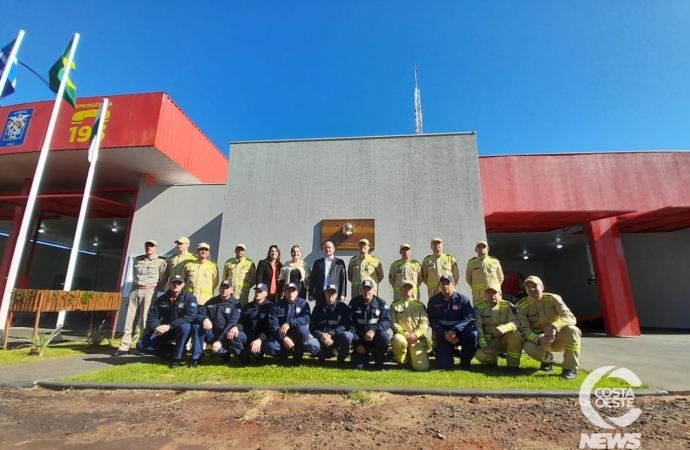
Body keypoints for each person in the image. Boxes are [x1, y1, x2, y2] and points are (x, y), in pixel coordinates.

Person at [516, 276, 582, 380]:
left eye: (534, 286)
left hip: (557, 336)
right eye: (528, 287)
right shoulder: (521, 306)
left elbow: (570, 317)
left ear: (542, 287)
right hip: (539, 340)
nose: (531, 289)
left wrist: (554, 327)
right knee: (527, 346)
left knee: (573, 330)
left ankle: (570, 368)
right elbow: (524, 328)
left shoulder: (553, 299)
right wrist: (538, 340)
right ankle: (547, 360)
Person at [114, 239, 167, 356]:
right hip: (135, 290)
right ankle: (124, 346)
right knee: (130, 319)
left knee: (145, 319)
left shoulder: (161, 262)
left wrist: (155, 288)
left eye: (152, 246)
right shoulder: (138, 260)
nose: (149, 248)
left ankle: (142, 346)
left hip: (149, 290)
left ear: (156, 248)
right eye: (147, 245)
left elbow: (163, 278)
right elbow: (134, 274)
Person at [136, 275, 198, 368]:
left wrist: (170, 325)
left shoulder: (190, 298)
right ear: (169, 284)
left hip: (180, 328)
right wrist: (155, 327)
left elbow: (190, 316)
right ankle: (172, 351)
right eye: (174, 283)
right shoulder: (162, 299)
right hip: (165, 330)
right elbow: (153, 315)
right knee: (141, 345)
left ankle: (176, 359)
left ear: (183, 285)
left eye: (179, 283)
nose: (176, 285)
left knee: (185, 327)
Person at [190, 279, 245, 367]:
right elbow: (199, 314)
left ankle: (226, 354)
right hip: (212, 334)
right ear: (219, 289)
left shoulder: (235, 304)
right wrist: (205, 319)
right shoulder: (212, 302)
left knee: (220, 350)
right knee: (196, 326)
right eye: (222, 288)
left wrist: (220, 341)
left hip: (226, 336)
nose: (224, 290)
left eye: (227, 288)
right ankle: (196, 359)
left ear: (232, 290)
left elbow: (231, 324)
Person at [427, 275, 478, 370]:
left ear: (453, 285)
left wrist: (455, 330)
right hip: (444, 334)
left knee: (473, 334)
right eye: (442, 284)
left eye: (448, 284)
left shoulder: (462, 299)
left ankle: (465, 362)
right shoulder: (433, 301)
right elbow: (432, 321)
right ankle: (447, 356)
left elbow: (469, 317)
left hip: (460, 332)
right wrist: (445, 334)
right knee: (443, 365)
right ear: (439, 286)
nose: (445, 286)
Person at [473, 285, 523, 374]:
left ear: (500, 294)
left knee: (517, 334)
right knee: (480, 355)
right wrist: (484, 345)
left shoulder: (508, 306)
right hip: (490, 342)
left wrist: (505, 328)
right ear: (485, 294)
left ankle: (513, 365)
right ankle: (492, 361)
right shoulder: (479, 308)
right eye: (488, 293)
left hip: (505, 340)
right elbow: (478, 328)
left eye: (494, 293)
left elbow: (516, 322)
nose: (491, 295)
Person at [305, 284, 354, 367]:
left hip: (337, 338)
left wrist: (331, 333)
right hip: (322, 338)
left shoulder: (342, 307)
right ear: (325, 294)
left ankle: (340, 360)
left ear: (337, 295)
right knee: (309, 343)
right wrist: (321, 335)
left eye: (333, 293)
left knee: (348, 336)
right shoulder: (318, 307)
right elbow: (312, 327)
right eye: (328, 293)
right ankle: (322, 358)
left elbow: (346, 325)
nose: (330, 295)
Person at [264, 283, 311, 366]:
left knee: (303, 330)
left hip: (296, 334)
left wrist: (289, 323)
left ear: (297, 293)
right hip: (281, 335)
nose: (291, 293)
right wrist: (283, 338)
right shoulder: (276, 306)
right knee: (270, 347)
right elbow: (273, 325)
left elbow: (306, 319)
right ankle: (282, 356)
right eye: (288, 291)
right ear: (284, 292)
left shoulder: (303, 304)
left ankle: (297, 359)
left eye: (293, 291)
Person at [349, 280, 391, 371]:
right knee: (359, 367)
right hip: (360, 340)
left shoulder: (381, 303)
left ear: (374, 291)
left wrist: (374, 330)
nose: (366, 292)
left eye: (369, 289)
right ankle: (363, 357)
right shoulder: (354, 303)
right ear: (360, 290)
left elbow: (387, 321)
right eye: (364, 289)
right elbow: (351, 325)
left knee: (384, 336)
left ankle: (379, 363)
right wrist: (358, 343)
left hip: (375, 339)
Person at [390, 279, 430, 371]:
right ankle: (403, 362)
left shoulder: (419, 305)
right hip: (402, 337)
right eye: (405, 287)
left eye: (409, 288)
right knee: (397, 340)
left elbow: (425, 323)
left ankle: (411, 357)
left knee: (422, 367)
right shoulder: (394, 305)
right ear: (400, 289)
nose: (407, 290)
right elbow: (392, 322)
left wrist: (416, 334)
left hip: (416, 339)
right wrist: (404, 333)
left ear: (413, 290)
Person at [238, 283, 274, 365]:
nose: (257, 293)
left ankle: (257, 355)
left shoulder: (271, 307)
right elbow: (242, 321)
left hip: (263, 337)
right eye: (256, 291)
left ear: (266, 294)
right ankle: (245, 359)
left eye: (260, 291)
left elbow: (270, 328)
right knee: (235, 336)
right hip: (249, 335)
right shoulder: (248, 306)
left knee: (257, 354)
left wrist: (260, 339)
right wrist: (236, 327)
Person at [465, 240, 504, 305]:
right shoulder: (471, 263)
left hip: (493, 295)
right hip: (479, 296)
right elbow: (468, 278)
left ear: (487, 249)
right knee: (479, 313)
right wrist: (475, 288)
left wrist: (497, 288)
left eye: (483, 247)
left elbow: (500, 277)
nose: (481, 249)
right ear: (475, 250)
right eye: (479, 247)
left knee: (495, 312)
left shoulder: (494, 261)